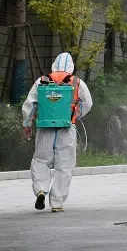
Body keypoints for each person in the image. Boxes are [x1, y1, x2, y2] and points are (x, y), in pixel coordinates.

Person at [21, 52, 93, 212]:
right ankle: (57, 202)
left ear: (53, 65)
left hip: (45, 127)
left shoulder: (42, 81)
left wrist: (27, 124)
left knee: (41, 160)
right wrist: (74, 114)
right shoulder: (77, 82)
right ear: (71, 67)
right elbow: (87, 103)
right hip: (66, 128)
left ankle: (41, 189)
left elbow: (29, 104)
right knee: (65, 165)